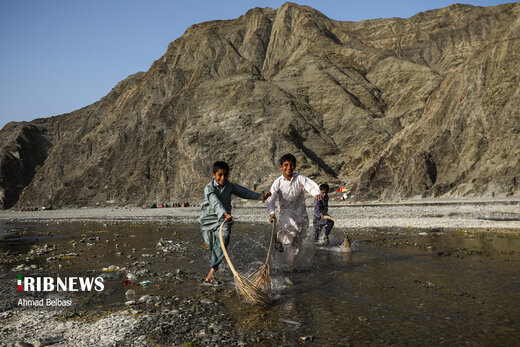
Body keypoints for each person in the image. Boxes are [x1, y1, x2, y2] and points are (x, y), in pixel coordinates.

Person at [197, 161, 271, 285]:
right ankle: (210, 245)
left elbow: (244, 192)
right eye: (220, 175)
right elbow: (215, 203)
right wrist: (224, 213)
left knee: (223, 240)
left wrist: (260, 197)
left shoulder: (230, 186)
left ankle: (211, 273)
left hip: (224, 220)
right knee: (211, 246)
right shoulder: (209, 188)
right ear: (213, 175)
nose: (223, 178)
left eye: (225, 175)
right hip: (208, 220)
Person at [267, 154, 321, 266]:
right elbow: (270, 200)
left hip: (301, 212)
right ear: (281, 167)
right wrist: (272, 213)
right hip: (286, 212)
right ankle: (280, 237)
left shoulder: (300, 178)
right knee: (294, 234)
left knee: (299, 239)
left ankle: (290, 262)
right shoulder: (278, 182)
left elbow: (311, 186)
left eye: (291, 165)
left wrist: (317, 193)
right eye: (286, 165)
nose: (289, 167)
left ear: (295, 167)